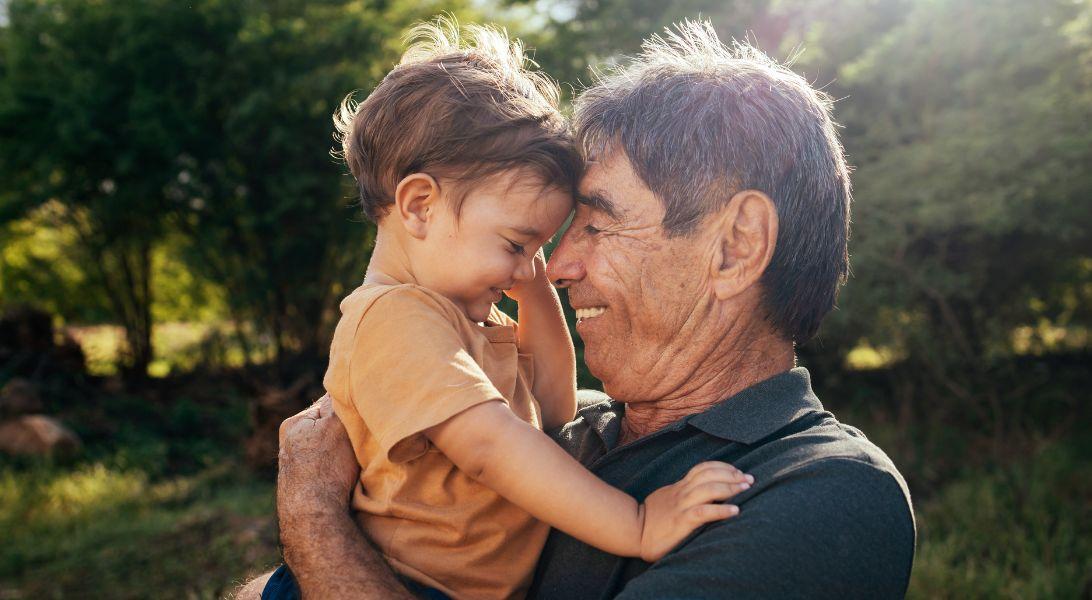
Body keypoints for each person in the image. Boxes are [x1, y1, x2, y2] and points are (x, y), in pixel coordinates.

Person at [242, 19, 916, 600]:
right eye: (532, 242)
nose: (556, 267)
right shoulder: (573, 430)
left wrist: (312, 517)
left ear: (736, 246)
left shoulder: (823, 492)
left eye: (597, 224)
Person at [299, 18, 751, 600]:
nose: (531, 269)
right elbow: (491, 448)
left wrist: (536, 296)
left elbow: (553, 408)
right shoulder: (393, 320)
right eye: (517, 245)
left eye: (536, 251)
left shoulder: (466, 322)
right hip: (400, 582)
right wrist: (636, 524)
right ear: (419, 206)